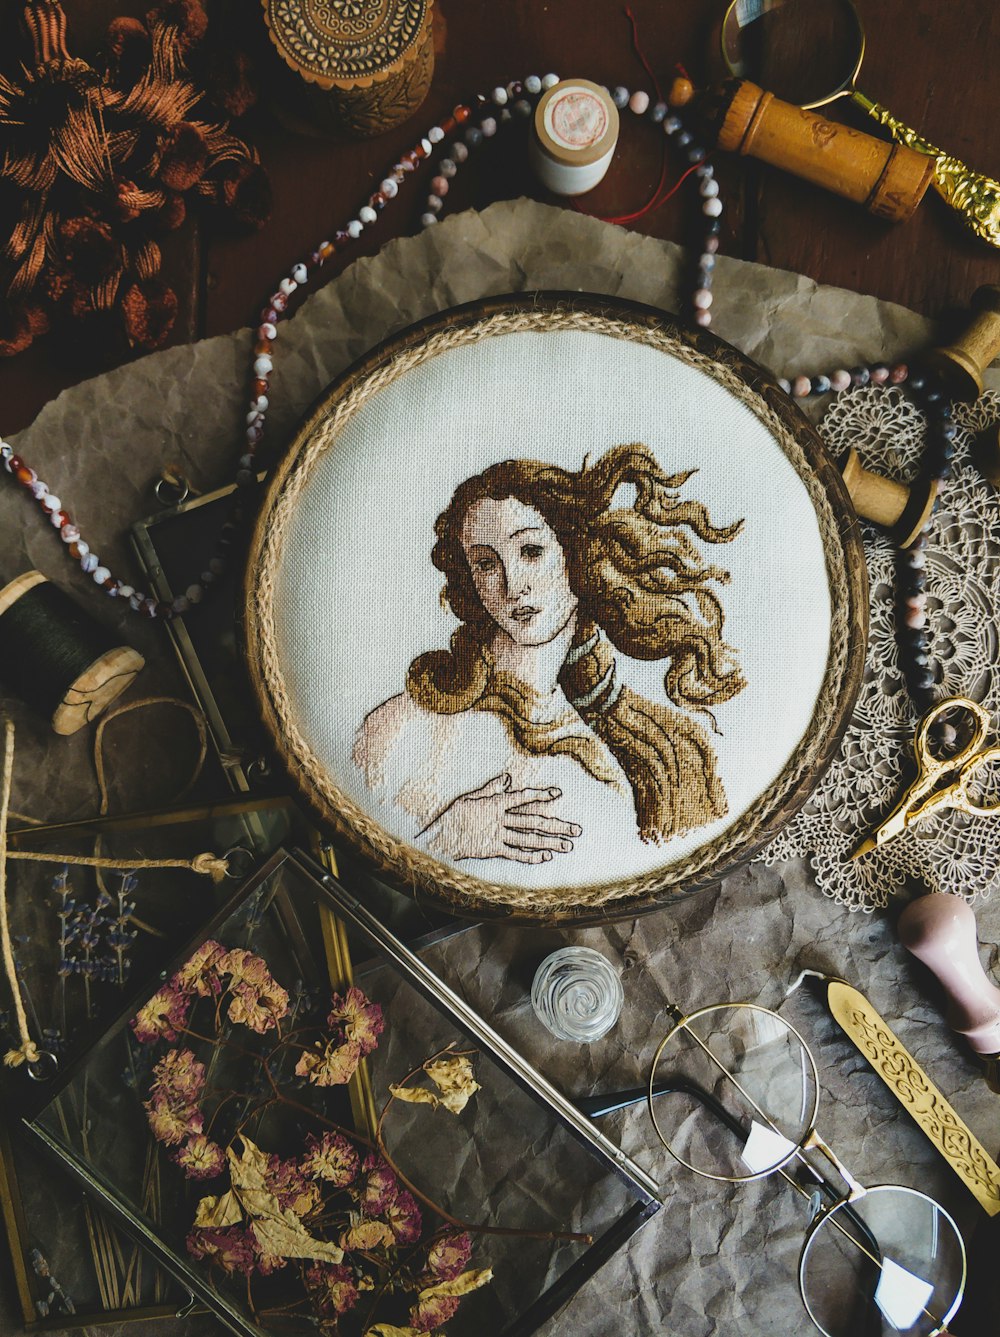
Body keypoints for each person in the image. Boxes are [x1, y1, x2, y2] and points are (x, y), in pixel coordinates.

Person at [353, 443, 745, 870]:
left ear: (575, 556)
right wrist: (450, 838)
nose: (511, 584)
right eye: (486, 564)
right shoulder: (402, 725)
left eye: (531, 552)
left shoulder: (607, 739)